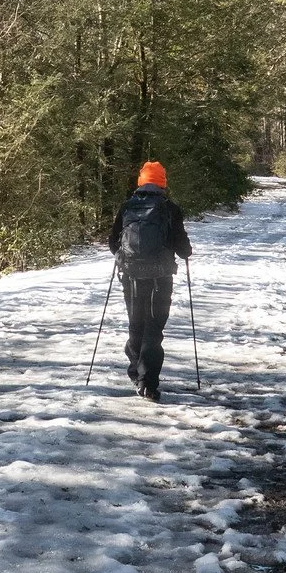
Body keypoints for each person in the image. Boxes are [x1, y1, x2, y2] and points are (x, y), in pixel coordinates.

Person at [106, 161, 192, 401]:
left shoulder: (126, 207)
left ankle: (136, 369)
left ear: (141, 182)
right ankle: (148, 383)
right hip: (160, 277)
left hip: (131, 276)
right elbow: (182, 246)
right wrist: (186, 252)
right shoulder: (170, 208)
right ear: (162, 183)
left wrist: (123, 257)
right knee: (153, 329)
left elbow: (113, 242)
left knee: (136, 324)